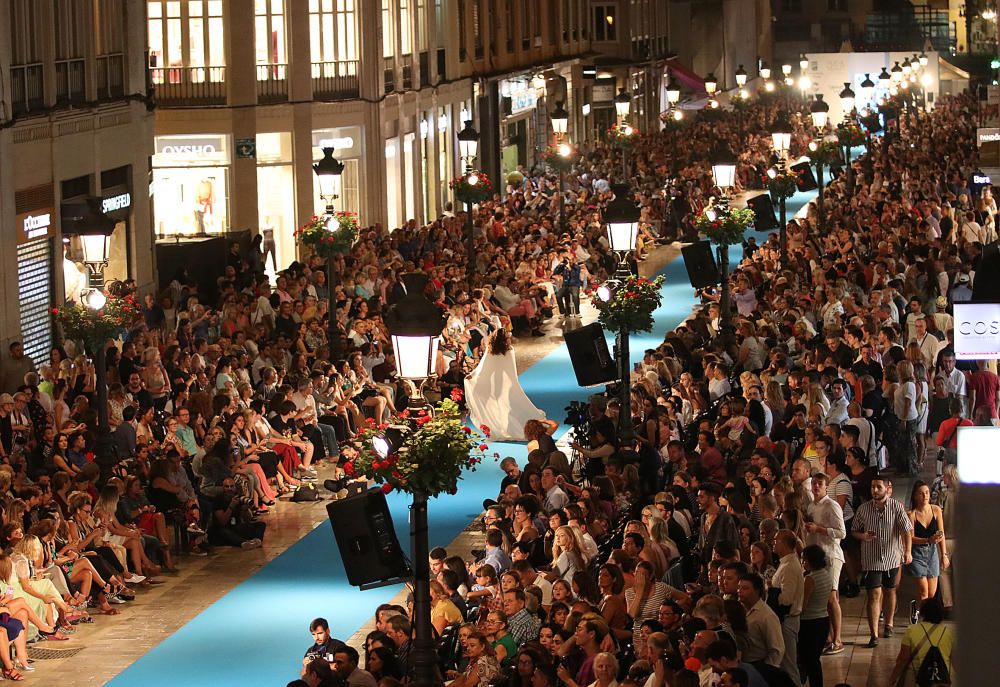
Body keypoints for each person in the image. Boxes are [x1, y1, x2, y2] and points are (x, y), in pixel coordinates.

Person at [852, 477, 913, 647]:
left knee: (890, 591)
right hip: (872, 559)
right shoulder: (864, 509)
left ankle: (889, 623)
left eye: (879, 487)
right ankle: (874, 634)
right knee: (874, 594)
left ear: (887, 488)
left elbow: (907, 530)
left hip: (892, 557)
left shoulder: (896, 507)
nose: (875, 490)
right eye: (873, 487)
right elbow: (854, 530)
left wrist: (907, 551)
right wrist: (863, 536)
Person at [464, 329, 546, 440]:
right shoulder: (509, 350)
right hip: (506, 385)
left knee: (501, 407)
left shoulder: (491, 350)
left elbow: (483, 367)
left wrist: (472, 375)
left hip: (495, 385)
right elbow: (510, 370)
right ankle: (509, 427)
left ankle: (504, 427)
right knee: (509, 407)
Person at [886, 597, 954, 687]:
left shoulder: (912, 630)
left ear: (923, 613)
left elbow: (903, 658)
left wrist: (893, 678)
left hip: (916, 677)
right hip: (941, 677)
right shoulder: (948, 632)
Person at [906, 480, 948, 624]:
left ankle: (918, 609)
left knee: (931, 593)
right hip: (917, 553)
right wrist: (927, 540)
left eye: (927, 493)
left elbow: (941, 533)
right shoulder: (911, 514)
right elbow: (910, 538)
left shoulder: (936, 510)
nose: (925, 496)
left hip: (932, 553)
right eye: (921, 493)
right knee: (924, 592)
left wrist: (944, 555)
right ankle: (923, 619)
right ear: (915, 496)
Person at [797, 545, 832, 687]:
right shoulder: (825, 574)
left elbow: (803, 606)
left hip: (809, 623)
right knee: (815, 659)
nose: (802, 562)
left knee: (809, 660)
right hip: (823, 620)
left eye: (803, 560)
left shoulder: (810, 579)